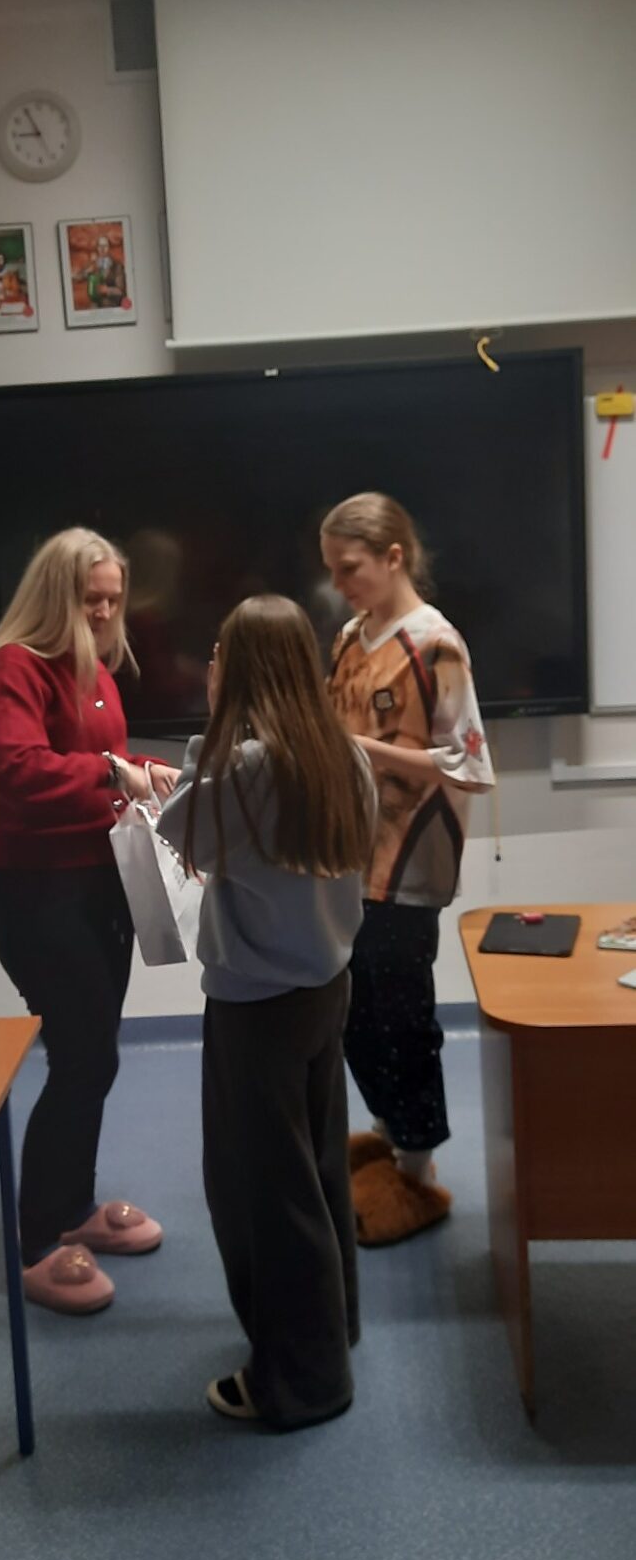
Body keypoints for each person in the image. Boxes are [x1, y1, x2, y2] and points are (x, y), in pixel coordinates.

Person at [158, 596, 375, 1430]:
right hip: (323, 991)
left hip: (255, 1010)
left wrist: (206, 734)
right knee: (315, 1170)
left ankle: (301, 1382)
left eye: (220, 656)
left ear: (238, 669)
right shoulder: (341, 754)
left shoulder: (246, 769)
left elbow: (182, 832)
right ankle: (330, 1329)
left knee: (262, 1195)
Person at [0, 527, 178, 1315]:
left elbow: (103, 764)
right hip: (40, 895)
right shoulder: (13, 668)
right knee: (80, 1060)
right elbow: (19, 770)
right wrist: (111, 771)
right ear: (53, 594)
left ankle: (72, 1209)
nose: (102, 612)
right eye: (89, 599)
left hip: (99, 887)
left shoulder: (93, 668)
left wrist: (142, 774)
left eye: (112, 599)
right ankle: (35, 1244)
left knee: (94, 1058)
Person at [320, 493, 495, 1247]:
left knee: (400, 1017)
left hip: (407, 864)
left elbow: (470, 764)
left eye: (349, 568)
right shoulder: (349, 638)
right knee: (351, 1014)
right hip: (344, 859)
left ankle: (417, 1169)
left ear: (394, 557)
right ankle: (389, 1137)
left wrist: (366, 752)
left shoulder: (435, 645)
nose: (338, 585)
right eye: (331, 570)